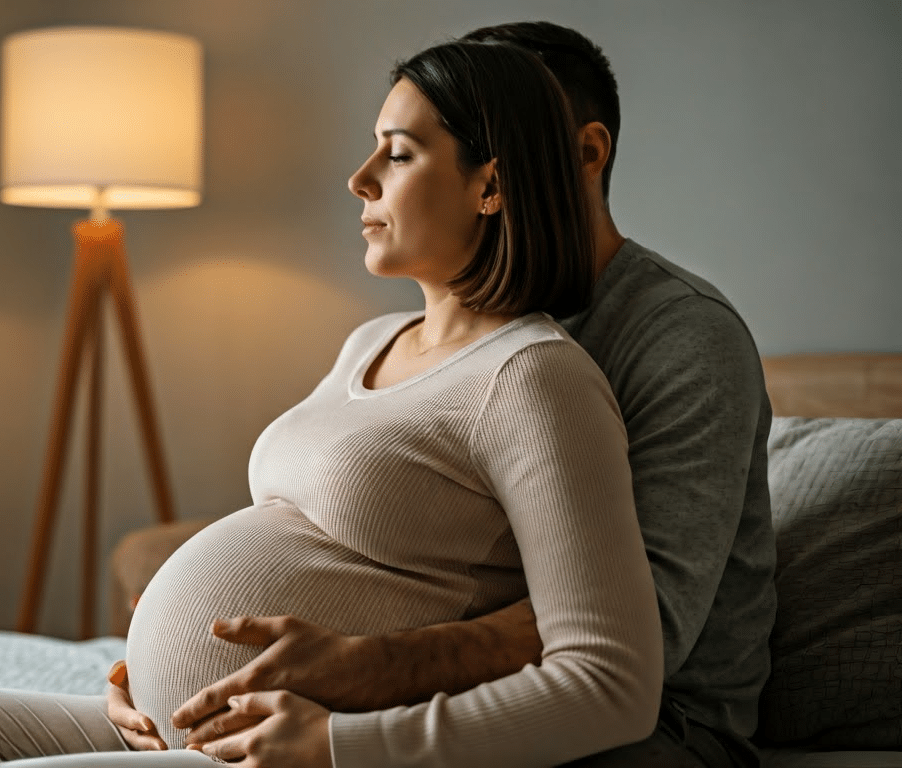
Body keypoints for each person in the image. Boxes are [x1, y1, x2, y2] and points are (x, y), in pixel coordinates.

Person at [0, 38, 664, 768]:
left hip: (291, 752)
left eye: (399, 155)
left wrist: (338, 749)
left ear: (492, 184)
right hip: (176, 727)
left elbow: (611, 683)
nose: (359, 178)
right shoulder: (370, 342)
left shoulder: (535, 379)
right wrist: (143, 668)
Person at [106, 20, 776, 768]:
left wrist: (374, 665)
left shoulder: (673, 339)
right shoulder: (401, 338)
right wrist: (168, 660)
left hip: (662, 734)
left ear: (576, 154)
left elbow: (636, 626)